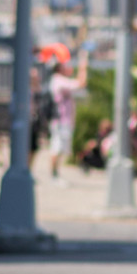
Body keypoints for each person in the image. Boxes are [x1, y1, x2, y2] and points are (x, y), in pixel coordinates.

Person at [46, 51, 89, 183]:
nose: (69, 68)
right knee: (57, 147)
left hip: (63, 120)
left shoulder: (58, 81)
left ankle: (55, 174)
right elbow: (81, 83)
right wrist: (83, 64)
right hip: (60, 121)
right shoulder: (58, 80)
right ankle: (53, 176)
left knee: (60, 148)